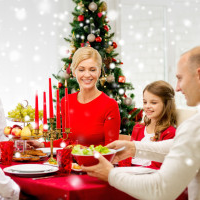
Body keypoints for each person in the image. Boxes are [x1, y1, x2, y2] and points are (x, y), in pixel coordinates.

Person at [82, 46, 200, 199]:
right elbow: (181, 145)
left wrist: (111, 174)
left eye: (180, 78)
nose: (177, 88)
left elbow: (160, 190)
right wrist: (134, 147)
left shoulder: (194, 126)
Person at [29, 47, 120, 148]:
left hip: (97, 163)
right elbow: (67, 141)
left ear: (99, 72)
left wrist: (85, 152)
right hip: (70, 163)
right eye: (81, 70)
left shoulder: (110, 105)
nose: (87, 74)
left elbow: (112, 151)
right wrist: (42, 145)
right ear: (74, 72)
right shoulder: (66, 101)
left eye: (92, 70)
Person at [129, 80, 176, 169]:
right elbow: (128, 155)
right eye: (145, 102)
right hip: (128, 174)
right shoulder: (138, 128)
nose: (147, 106)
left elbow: (158, 167)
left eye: (153, 102)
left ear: (166, 105)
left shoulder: (169, 133)